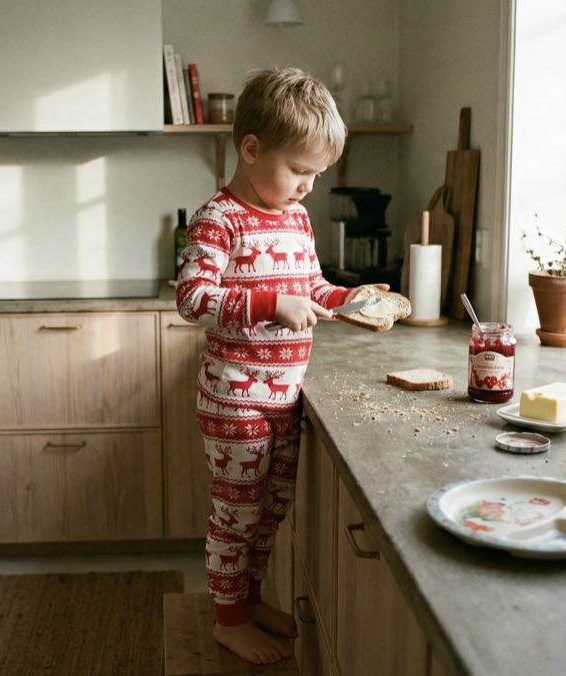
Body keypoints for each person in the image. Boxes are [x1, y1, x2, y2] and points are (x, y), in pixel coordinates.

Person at [175, 66, 388, 664]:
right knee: (235, 512)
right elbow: (193, 299)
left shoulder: (295, 217)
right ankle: (226, 620)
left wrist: (347, 299)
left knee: (270, 512)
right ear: (251, 149)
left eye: (316, 175)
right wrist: (271, 304)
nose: (307, 189)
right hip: (234, 399)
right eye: (299, 171)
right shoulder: (220, 218)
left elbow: (310, 286)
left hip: (285, 398)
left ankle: (248, 598)